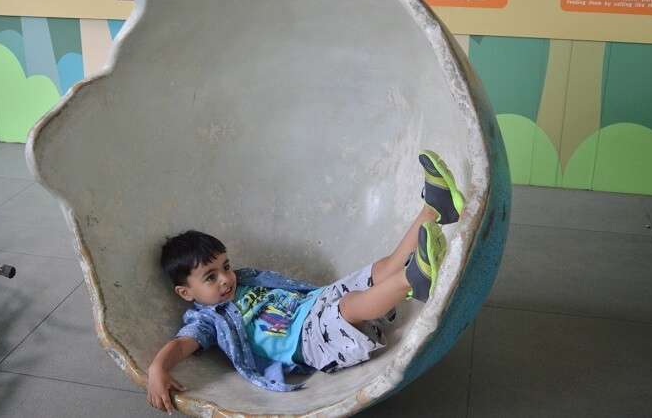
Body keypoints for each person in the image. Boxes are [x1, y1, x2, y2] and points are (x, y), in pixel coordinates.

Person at [146, 150, 464, 414]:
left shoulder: (243, 281)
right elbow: (181, 344)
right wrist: (158, 368)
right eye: (211, 277)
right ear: (186, 293)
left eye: (226, 266)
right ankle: (412, 280)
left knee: (380, 268)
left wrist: (320, 298)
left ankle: (434, 210)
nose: (226, 278)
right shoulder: (207, 318)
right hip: (307, 342)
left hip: (314, 303)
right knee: (349, 306)